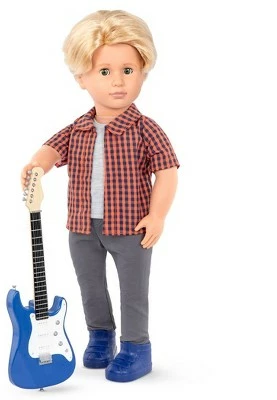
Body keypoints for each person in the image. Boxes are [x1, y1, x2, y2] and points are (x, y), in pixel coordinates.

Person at [21, 9, 180, 382]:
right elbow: (51, 150)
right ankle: (100, 337)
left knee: (133, 291)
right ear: (82, 78)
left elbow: (167, 172)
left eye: (129, 70)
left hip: (130, 227)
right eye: (104, 71)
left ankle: (136, 347)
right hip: (81, 227)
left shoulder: (145, 129)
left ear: (143, 72)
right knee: (91, 286)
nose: (118, 82)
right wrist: (36, 165)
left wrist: (157, 216)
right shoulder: (78, 129)